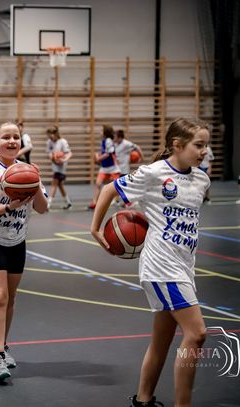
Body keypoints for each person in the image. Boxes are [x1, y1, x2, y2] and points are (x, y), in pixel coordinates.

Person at [90, 118, 210, 407]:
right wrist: (95, 228)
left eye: (206, 144)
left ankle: (143, 400)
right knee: (196, 334)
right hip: (160, 267)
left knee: (163, 340)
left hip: (183, 266)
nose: (205, 150)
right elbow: (109, 190)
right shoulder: (154, 173)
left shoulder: (202, 179)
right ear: (177, 145)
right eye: (199, 145)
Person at [0, 122, 48, 381]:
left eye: (16, 136)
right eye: (6, 137)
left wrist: (34, 184)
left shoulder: (30, 171)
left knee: (11, 298)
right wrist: (9, 206)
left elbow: (43, 208)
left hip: (16, 239)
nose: (12, 140)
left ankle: (3, 346)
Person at [89, 124, 121, 210]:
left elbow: (108, 153)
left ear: (105, 132)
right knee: (98, 184)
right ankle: (94, 202)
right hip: (104, 168)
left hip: (113, 168)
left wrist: (99, 158)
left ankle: (118, 200)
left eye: (101, 130)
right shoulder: (104, 141)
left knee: (116, 185)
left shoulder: (108, 140)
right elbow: (104, 153)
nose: (99, 132)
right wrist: (98, 155)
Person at [45, 125, 72, 209]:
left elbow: (69, 153)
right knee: (59, 185)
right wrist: (53, 158)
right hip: (55, 165)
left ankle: (48, 204)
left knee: (54, 183)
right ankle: (68, 202)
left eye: (52, 134)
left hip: (62, 166)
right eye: (49, 134)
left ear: (56, 133)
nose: (50, 136)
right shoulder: (49, 142)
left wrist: (63, 160)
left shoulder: (63, 142)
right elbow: (49, 153)